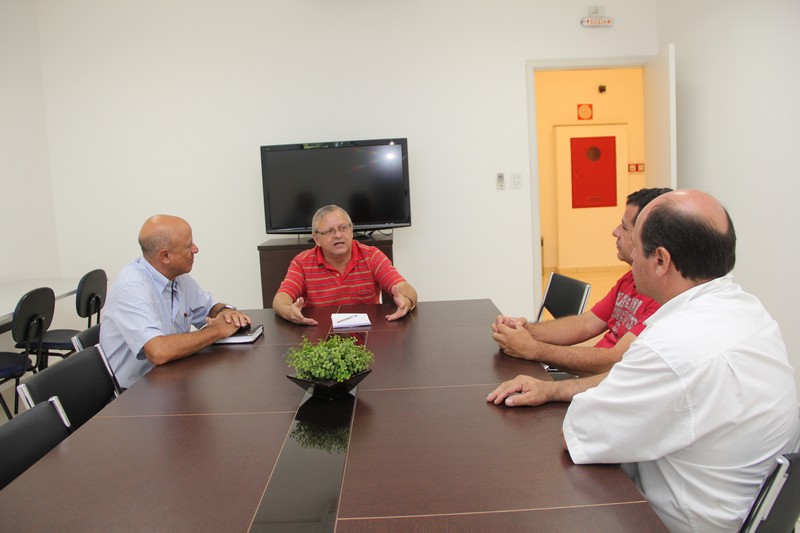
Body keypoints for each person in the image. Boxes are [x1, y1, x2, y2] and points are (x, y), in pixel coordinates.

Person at [487, 189, 800, 532]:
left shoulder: (673, 347)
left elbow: (580, 435)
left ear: (661, 260)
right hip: (734, 506)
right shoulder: (747, 311)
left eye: (636, 245)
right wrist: (553, 391)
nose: (630, 255)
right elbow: (631, 378)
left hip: (679, 522)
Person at [492, 188, 671, 376]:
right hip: (587, 379)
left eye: (624, 227)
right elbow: (585, 324)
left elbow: (614, 361)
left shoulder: (661, 298)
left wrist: (533, 349)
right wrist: (524, 329)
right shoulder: (630, 279)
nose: (615, 232)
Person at [100, 215, 251, 389]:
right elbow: (158, 352)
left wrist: (226, 312)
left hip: (169, 380)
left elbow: (209, 308)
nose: (196, 249)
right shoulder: (132, 287)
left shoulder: (178, 276)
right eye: (188, 246)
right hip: (132, 395)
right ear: (165, 256)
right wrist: (216, 331)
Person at [273, 205, 417, 325]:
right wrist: (289, 311)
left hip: (366, 333)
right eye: (330, 231)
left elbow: (404, 288)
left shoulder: (371, 256)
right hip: (319, 334)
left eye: (343, 228)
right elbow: (281, 299)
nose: (338, 235)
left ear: (351, 231)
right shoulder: (302, 262)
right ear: (316, 238)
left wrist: (407, 301)